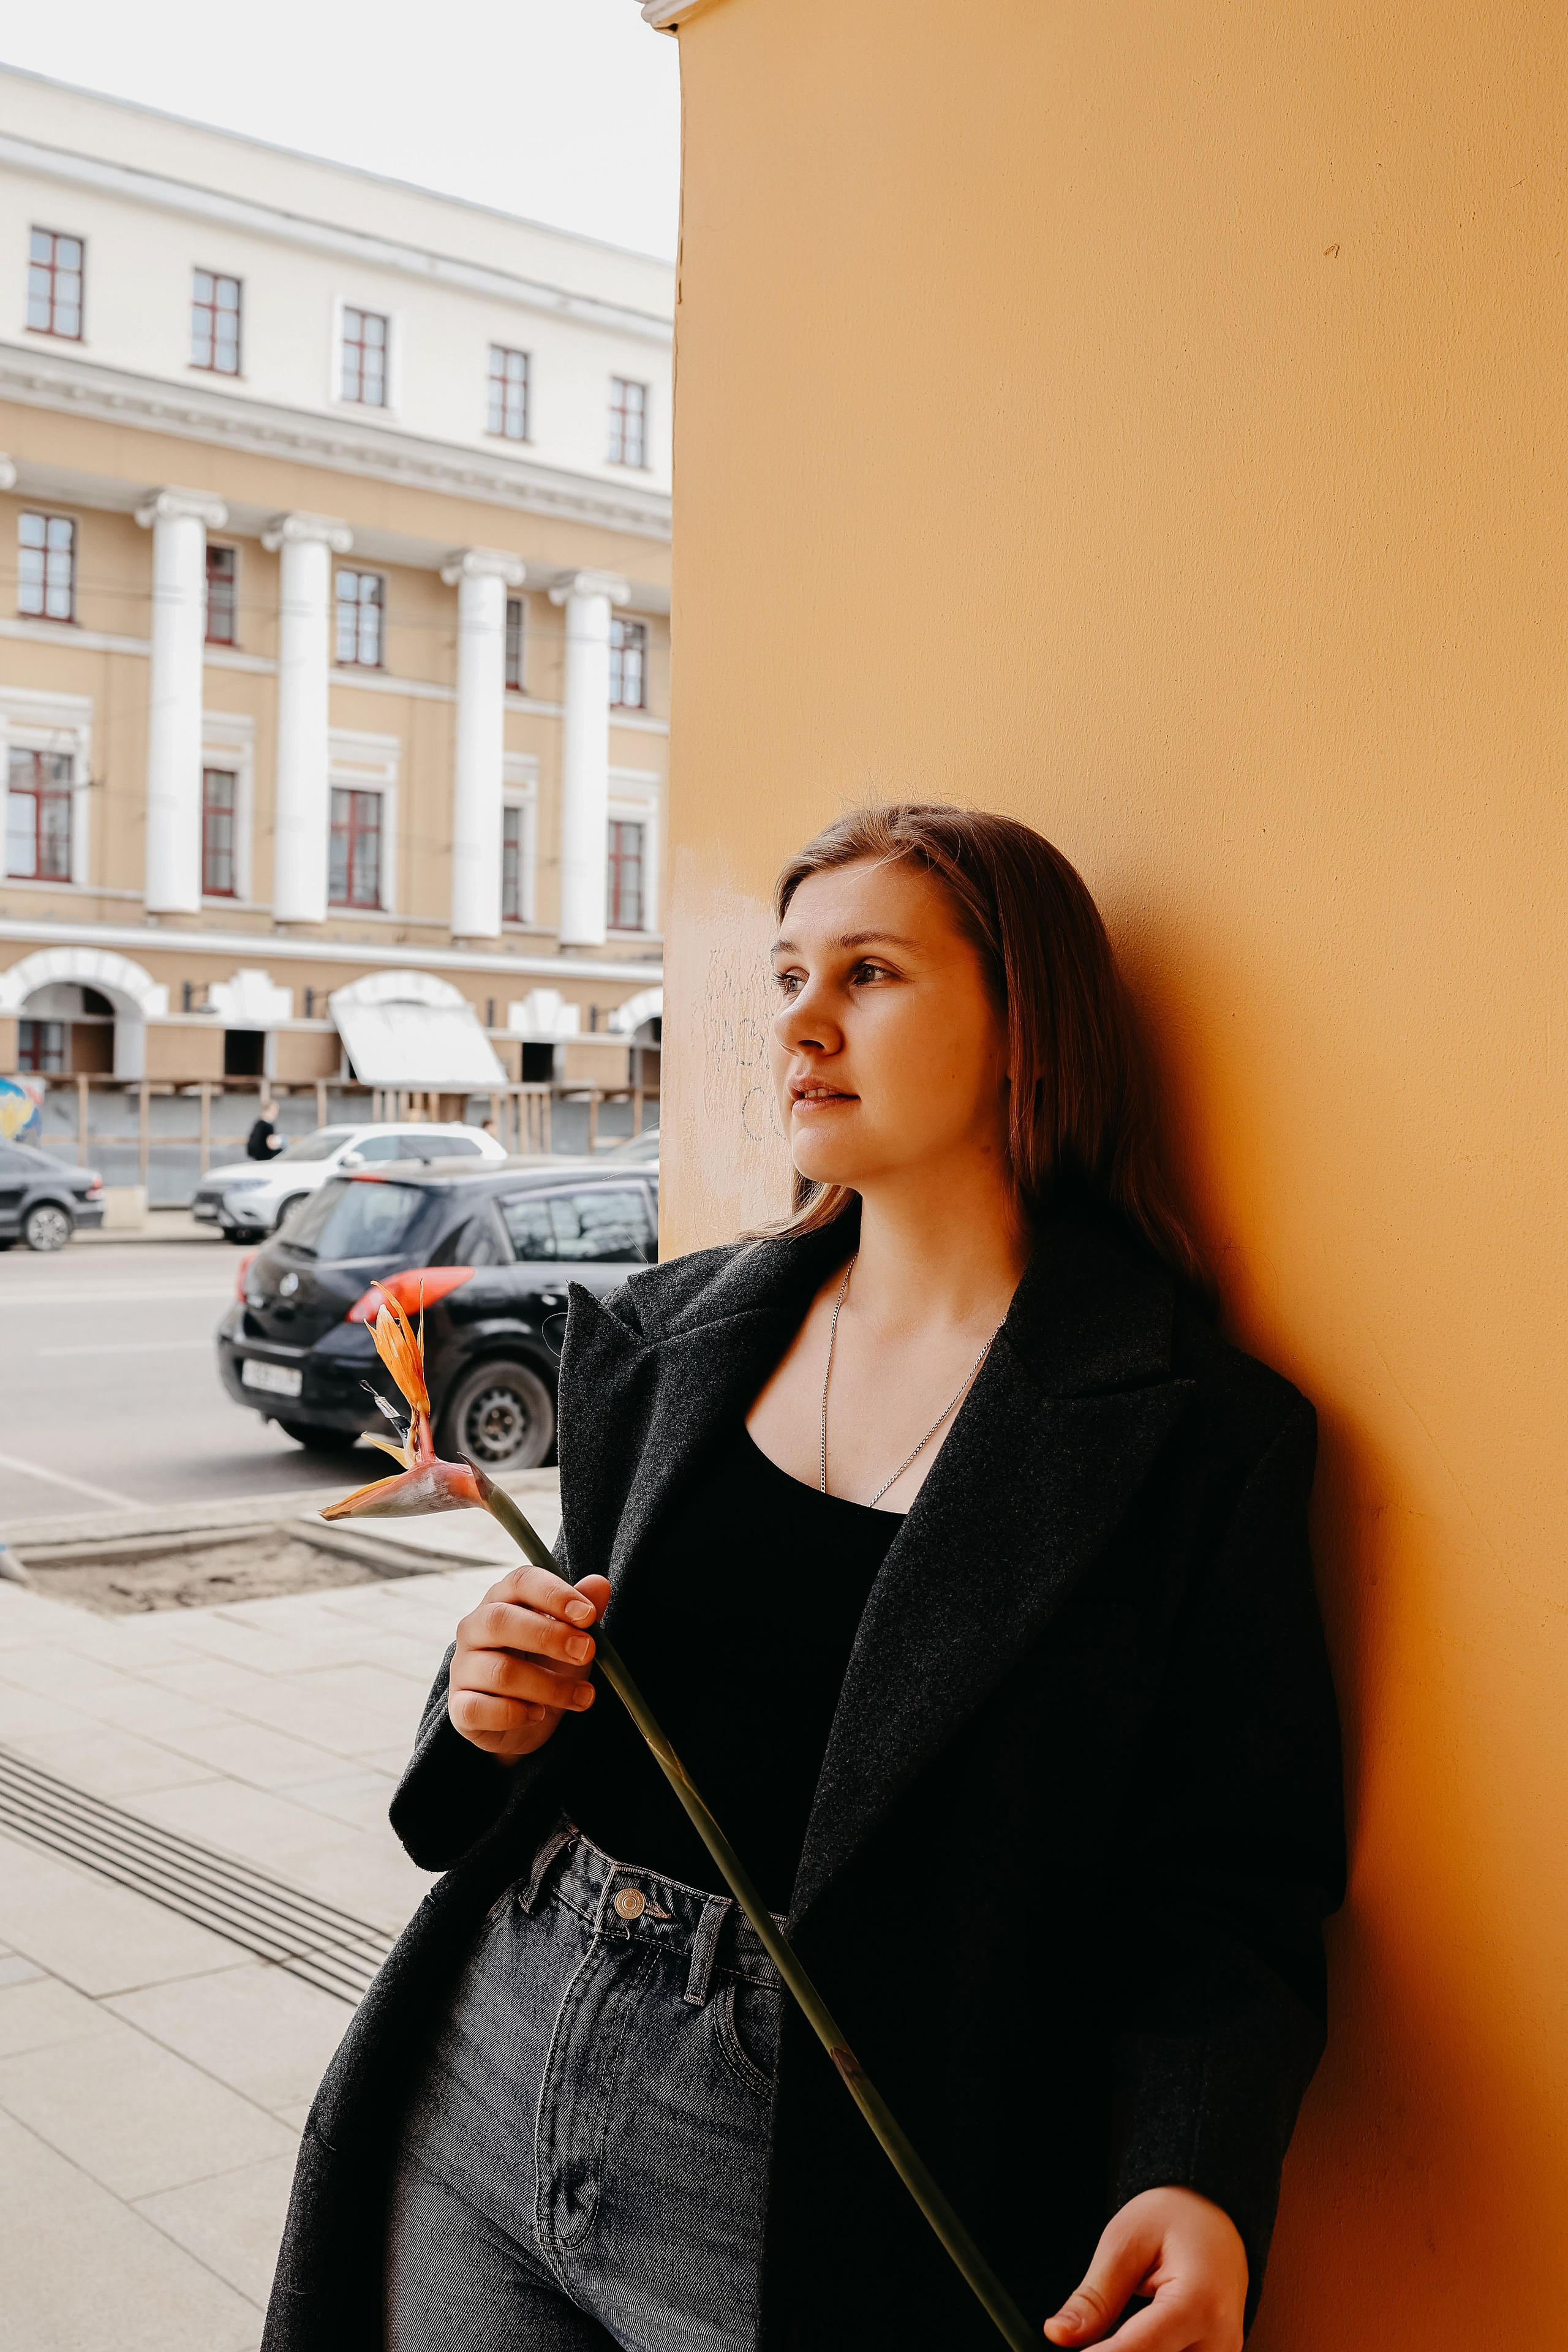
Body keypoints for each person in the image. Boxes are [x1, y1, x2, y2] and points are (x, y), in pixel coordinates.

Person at [263, 805, 1344, 2352]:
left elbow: (1227, 1878)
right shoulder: (659, 1335)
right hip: (499, 2057)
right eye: (784, 975)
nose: (801, 1021)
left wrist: (1195, 2172)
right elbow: (574, 1670)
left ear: (1024, 1028)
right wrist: (488, 1699)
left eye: (871, 972)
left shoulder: (1189, 1438)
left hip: (824, 2148)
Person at [246, 1096, 285, 1160]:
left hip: (258, 1159)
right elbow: (271, 1144)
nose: (276, 1113)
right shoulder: (268, 1126)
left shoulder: (258, 1123)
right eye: (275, 1110)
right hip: (266, 1159)